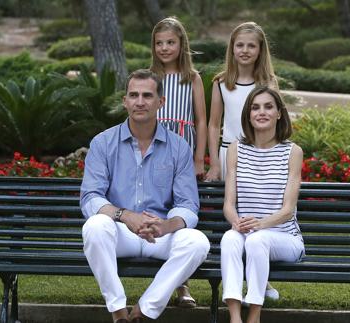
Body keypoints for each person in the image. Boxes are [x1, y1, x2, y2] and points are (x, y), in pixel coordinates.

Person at [80, 69, 210, 323]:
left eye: (148, 95)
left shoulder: (178, 146)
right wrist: (125, 216)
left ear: (161, 102)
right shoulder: (102, 143)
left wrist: (166, 225)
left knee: (197, 242)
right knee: (95, 226)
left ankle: (145, 311)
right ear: (125, 101)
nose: (140, 102)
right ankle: (118, 312)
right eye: (134, 95)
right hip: (121, 233)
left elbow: (187, 203)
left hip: (159, 235)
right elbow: (90, 197)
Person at [204, 21, 281, 301]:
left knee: (257, 215)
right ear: (232, 49)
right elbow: (214, 125)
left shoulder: (268, 84)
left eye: (251, 45)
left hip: (261, 157)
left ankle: (262, 279)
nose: (245, 50)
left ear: (260, 50)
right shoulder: (222, 83)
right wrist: (214, 163)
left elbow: (273, 122)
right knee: (231, 220)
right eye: (240, 45)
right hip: (230, 154)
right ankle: (230, 278)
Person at [221, 86, 305, 323]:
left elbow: (288, 210)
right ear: (248, 114)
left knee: (259, 239)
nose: (261, 112)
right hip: (246, 231)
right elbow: (229, 204)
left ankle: (254, 316)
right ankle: (235, 317)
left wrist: (259, 224)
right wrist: (236, 222)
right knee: (229, 238)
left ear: (279, 113)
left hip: (284, 237)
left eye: (268, 107)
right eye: (255, 107)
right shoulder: (236, 150)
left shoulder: (292, 152)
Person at [149, 17, 208, 307]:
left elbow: (201, 119)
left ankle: (182, 286)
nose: (164, 47)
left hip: (183, 154)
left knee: (180, 215)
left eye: (170, 42)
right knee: (155, 211)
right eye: (159, 43)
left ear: (181, 43)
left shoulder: (191, 78)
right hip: (153, 153)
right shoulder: (150, 77)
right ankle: (162, 280)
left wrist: (200, 159)